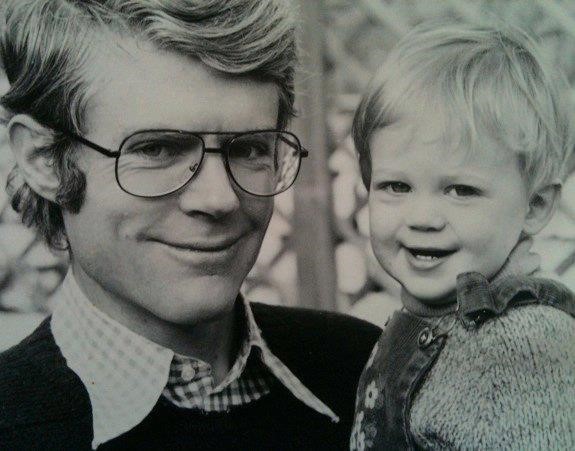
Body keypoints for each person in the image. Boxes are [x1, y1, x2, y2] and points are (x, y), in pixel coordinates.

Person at [0, 1, 381, 449]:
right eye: (157, 149)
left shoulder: (366, 372)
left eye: (250, 149)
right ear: (43, 160)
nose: (218, 199)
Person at [350, 21, 575, 450]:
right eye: (396, 186)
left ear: (536, 206)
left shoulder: (525, 346)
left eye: (461, 190)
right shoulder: (427, 317)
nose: (423, 217)